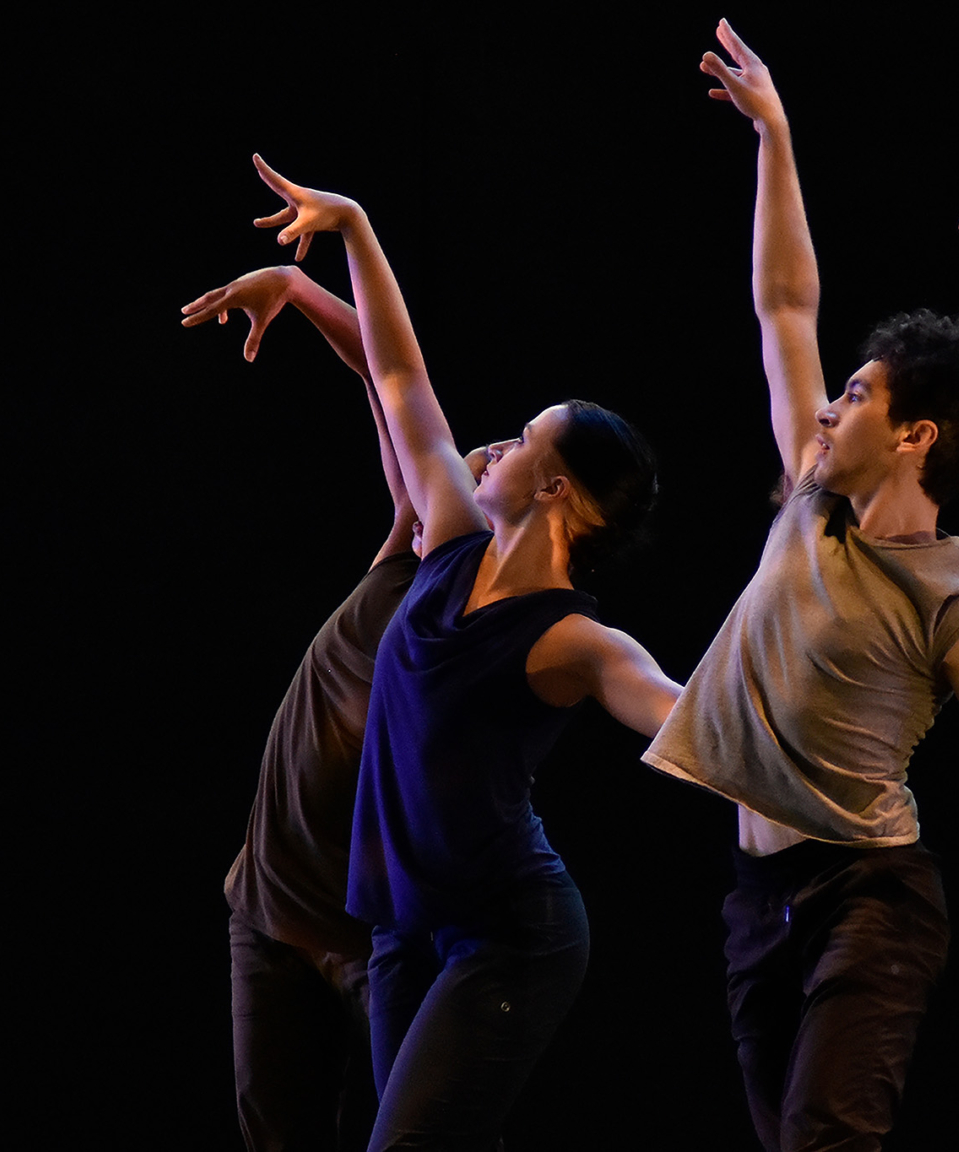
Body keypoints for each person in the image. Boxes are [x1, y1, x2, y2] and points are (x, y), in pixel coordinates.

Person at [637, 22, 959, 1152]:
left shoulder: (952, 598)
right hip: (756, 902)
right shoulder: (810, 492)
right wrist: (775, 139)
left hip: (871, 900)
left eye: (856, 396)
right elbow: (783, 307)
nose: (830, 408)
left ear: (914, 438)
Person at [244, 155, 684, 1149]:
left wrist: (772, 727)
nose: (501, 441)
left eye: (528, 435)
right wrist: (353, 228)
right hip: (402, 929)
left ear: (551, 489)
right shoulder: (447, 540)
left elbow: (669, 706)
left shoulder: (571, 637)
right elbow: (398, 375)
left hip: (511, 935)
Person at [184, 262, 425, 1152]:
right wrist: (297, 284)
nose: (490, 450)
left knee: (427, 1129)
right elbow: (388, 374)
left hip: (381, 935)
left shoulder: (494, 611)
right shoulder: (412, 540)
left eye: (513, 449)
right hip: (271, 908)